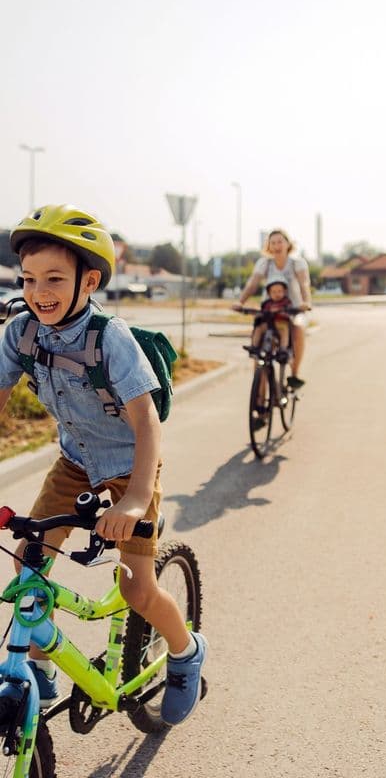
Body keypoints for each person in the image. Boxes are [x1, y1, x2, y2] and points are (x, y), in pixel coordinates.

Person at [0, 204, 207, 725]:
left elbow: (146, 424)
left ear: (88, 281)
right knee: (31, 563)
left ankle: (185, 653)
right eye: (28, 278)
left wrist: (136, 498)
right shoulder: (20, 333)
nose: (38, 291)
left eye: (54, 278)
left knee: (136, 586)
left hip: (129, 464)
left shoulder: (110, 338)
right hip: (75, 463)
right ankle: (40, 671)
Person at [233, 228, 312, 388]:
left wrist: (306, 302)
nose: (277, 245)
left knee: (297, 329)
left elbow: (304, 283)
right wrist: (240, 302)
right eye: (273, 242)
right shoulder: (265, 263)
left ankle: (294, 374)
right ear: (269, 246)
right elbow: (253, 283)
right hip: (269, 309)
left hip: (292, 308)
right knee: (259, 338)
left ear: (287, 243)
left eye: (280, 241)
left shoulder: (297, 262)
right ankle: (260, 393)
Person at [252, 275, 292, 361]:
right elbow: (263, 311)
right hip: (268, 324)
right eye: (273, 292)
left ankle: (283, 349)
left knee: (284, 331)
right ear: (269, 293)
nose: (277, 294)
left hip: (281, 324)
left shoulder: (286, 302)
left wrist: (281, 310)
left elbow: (289, 310)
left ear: (284, 292)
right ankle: (254, 346)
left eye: (279, 291)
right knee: (258, 328)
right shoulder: (267, 303)